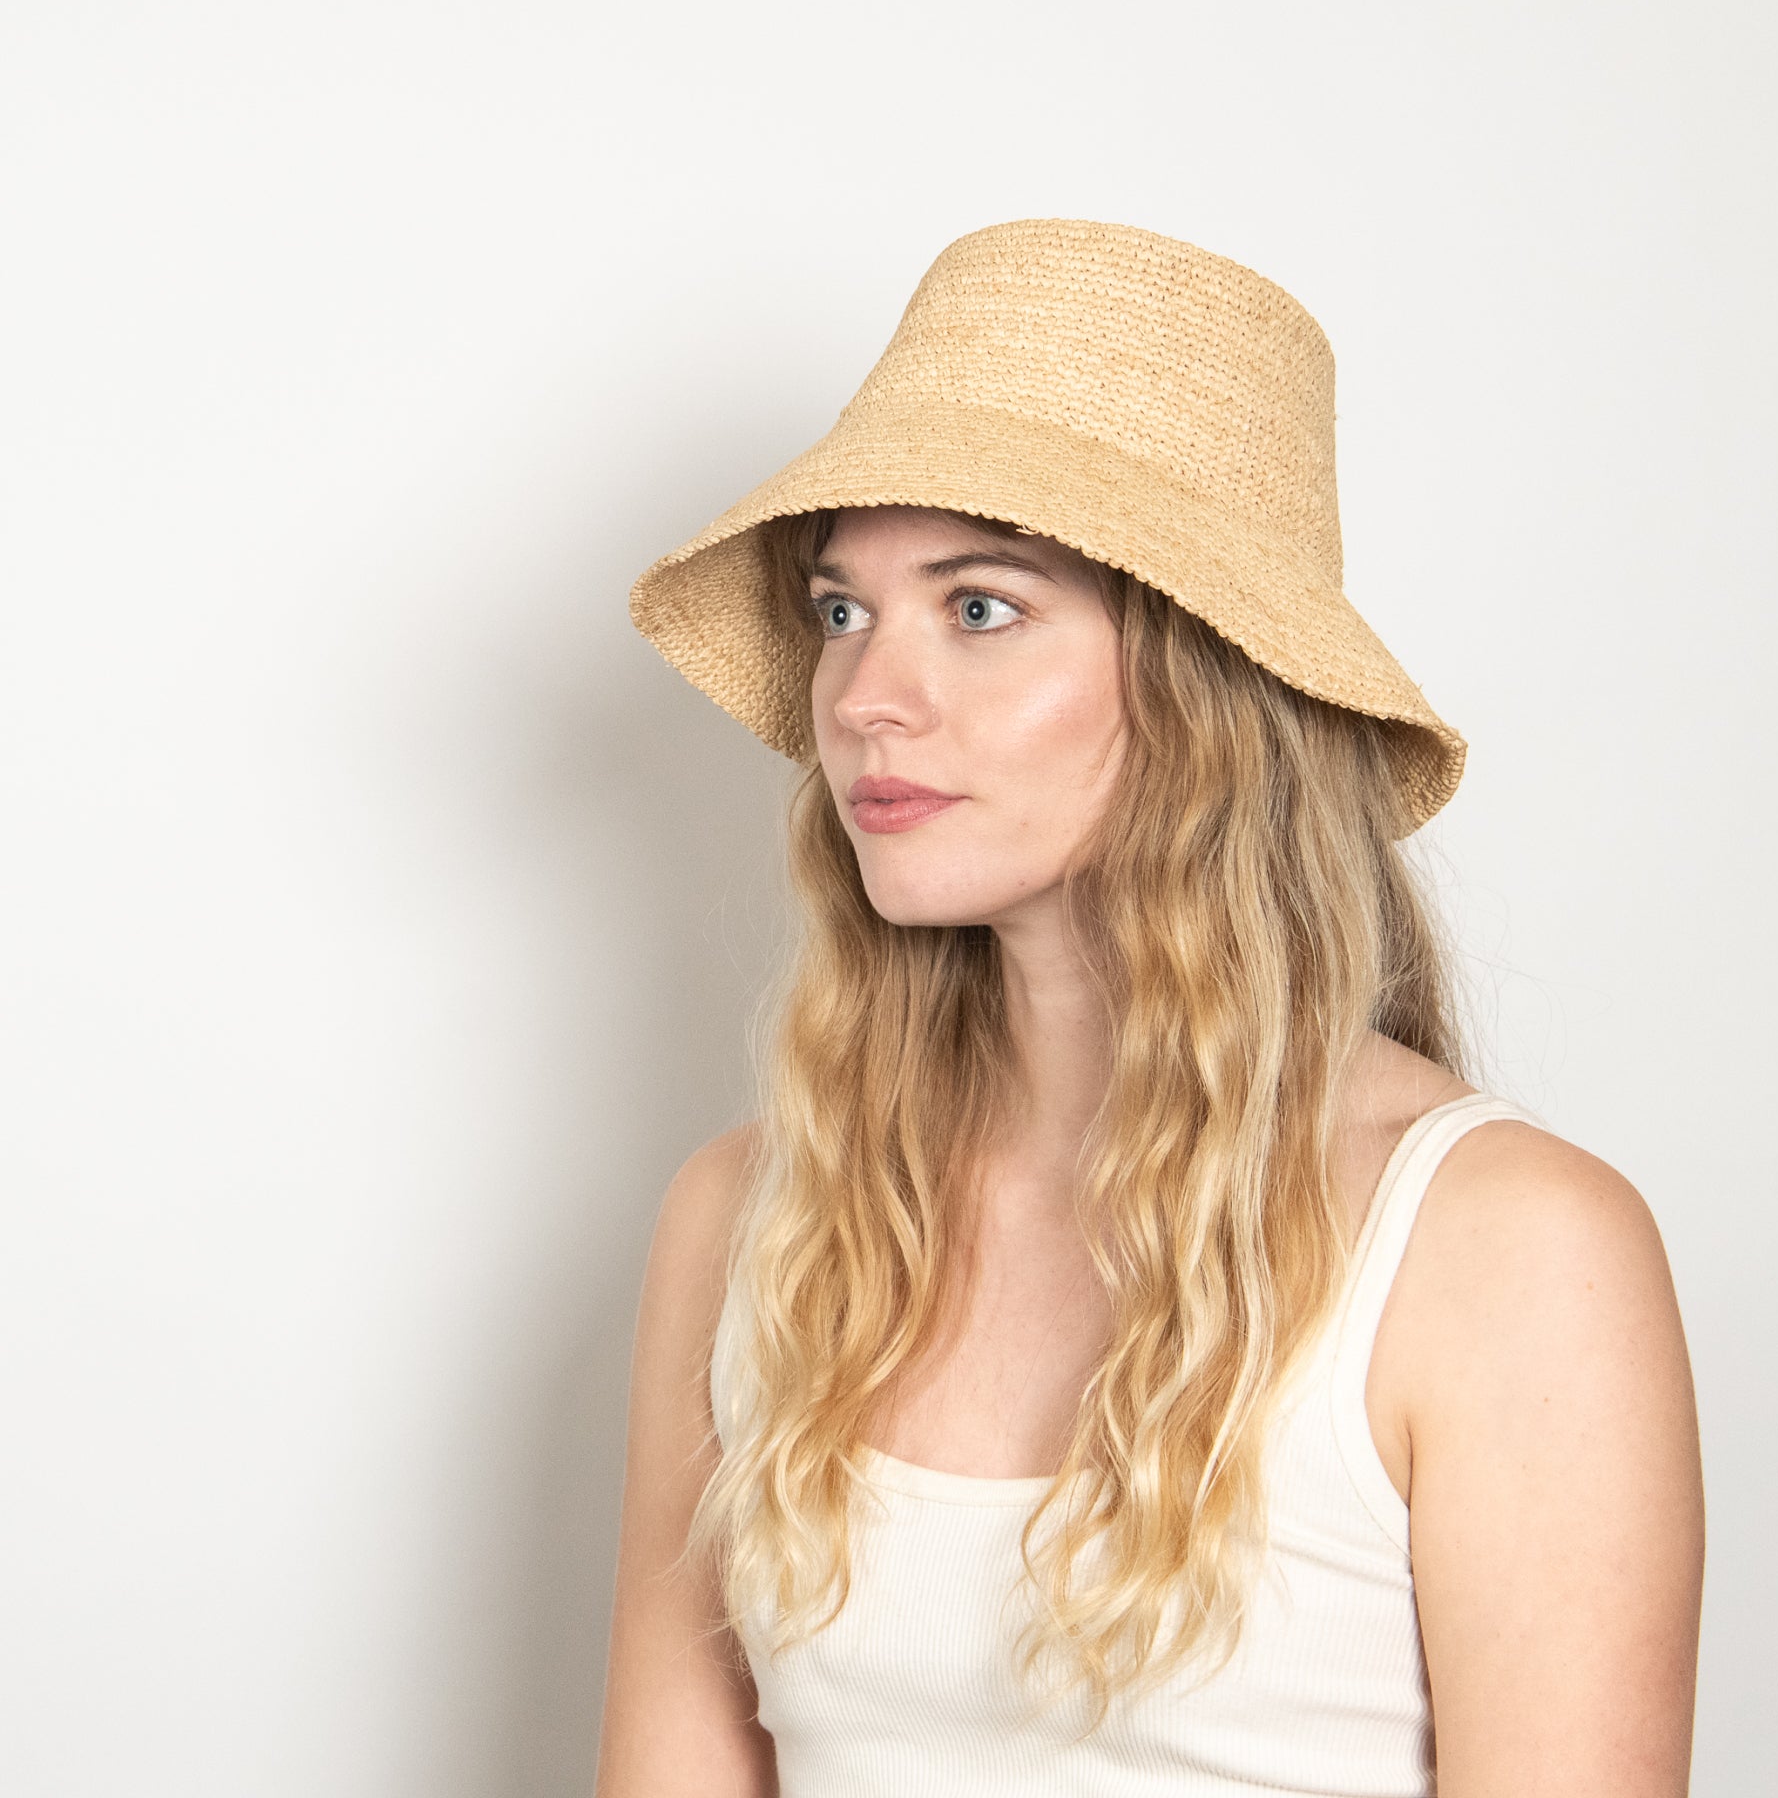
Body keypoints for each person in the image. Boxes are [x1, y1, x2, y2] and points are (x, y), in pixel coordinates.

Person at [595, 219, 1704, 1797]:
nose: (863, 697)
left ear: (1207, 682)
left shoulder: (1501, 1248)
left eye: (979, 607)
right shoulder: (751, 1218)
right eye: (844, 610)